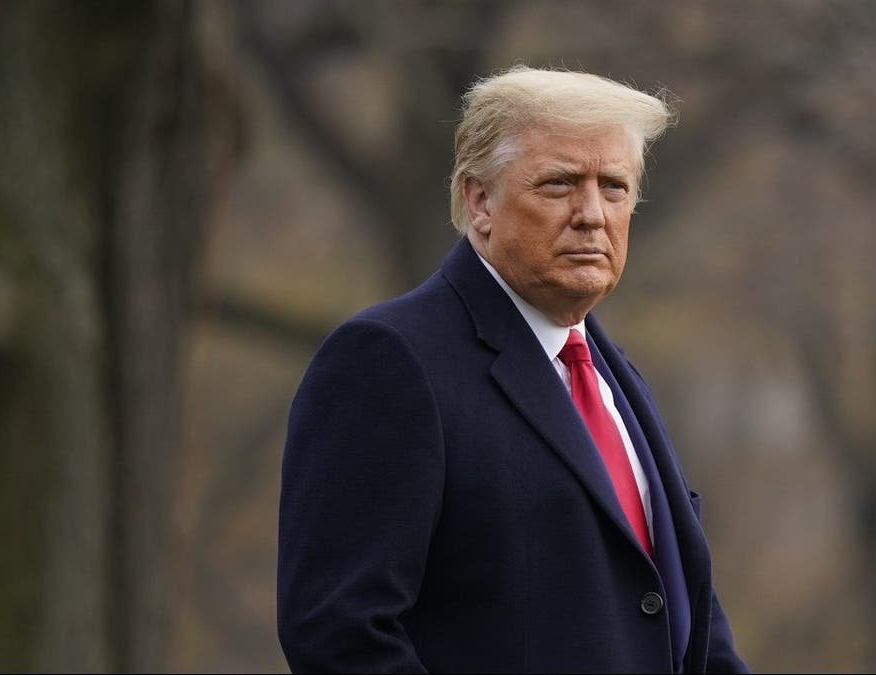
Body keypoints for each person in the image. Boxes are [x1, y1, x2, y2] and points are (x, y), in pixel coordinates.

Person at [276, 65, 750, 674]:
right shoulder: (388, 360)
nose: (592, 214)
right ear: (480, 201)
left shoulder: (611, 372)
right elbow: (339, 634)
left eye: (614, 187)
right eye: (559, 184)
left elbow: (688, 618)